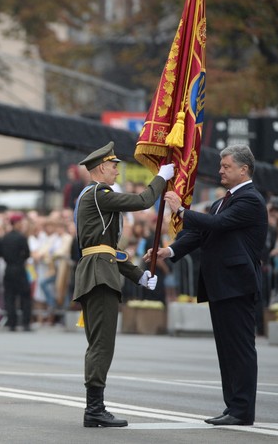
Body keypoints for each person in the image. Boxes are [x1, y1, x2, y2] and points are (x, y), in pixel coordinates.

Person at [146, 144, 267, 426]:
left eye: (226, 166)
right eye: (221, 166)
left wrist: (182, 211)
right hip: (222, 284)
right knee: (226, 349)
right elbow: (200, 234)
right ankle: (232, 406)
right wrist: (170, 251)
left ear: (243, 169)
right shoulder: (222, 201)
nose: (220, 170)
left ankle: (242, 409)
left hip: (237, 284)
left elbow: (218, 224)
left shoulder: (250, 199)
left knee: (239, 348)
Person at [73, 141, 172, 427]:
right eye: (114, 165)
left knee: (98, 344)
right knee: (102, 346)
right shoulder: (99, 193)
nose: (117, 170)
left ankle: (95, 408)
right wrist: (160, 178)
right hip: (99, 275)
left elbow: (109, 250)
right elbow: (142, 202)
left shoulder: (90, 196)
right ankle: (94, 410)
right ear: (101, 167)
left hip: (98, 271)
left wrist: (138, 274)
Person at [1, 212, 31, 331]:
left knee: (9, 296)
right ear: (17, 223)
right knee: (25, 296)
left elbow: (2, 253)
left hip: (8, 268)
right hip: (19, 268)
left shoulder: (5, 237)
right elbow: (27, 253)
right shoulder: (21, 237)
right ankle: (25, 322)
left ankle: (11, 323)